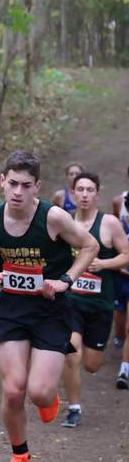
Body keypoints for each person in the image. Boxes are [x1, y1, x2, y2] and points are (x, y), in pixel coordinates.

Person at [0, 151, 98, 462]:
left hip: (50, 310)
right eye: (12, 183)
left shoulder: (53, 217)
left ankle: (48, 399)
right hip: (12, 308)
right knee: (13, 388)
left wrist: (66, 280)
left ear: (37, 187)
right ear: (2, 181)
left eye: (26, 185)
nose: (17, 192)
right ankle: (19, 456)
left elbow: (90, 246)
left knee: (39, 392)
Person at [59, 172, 129, 427]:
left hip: (100, 305)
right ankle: (73, 408)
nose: (85, 194)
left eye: (90, 190)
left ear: (97, 195)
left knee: (91, 365)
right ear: (73, 193)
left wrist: (104, 263)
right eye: (80, 189)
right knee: (71, 351)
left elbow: (127, 255)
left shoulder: (109, 223)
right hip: (71, 301)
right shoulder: (63, 222)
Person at [110, 165, 129, 387]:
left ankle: (124, 370)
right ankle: (119, 337)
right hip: (121, 271)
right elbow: (115, 229)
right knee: (120, 316)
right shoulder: (119, 201)